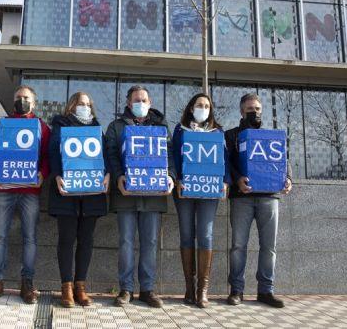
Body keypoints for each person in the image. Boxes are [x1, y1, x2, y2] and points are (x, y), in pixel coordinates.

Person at [105, 85, 175, 308]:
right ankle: (126, 289)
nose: (140, 104)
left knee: (150, 242)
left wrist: (171, 176)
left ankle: (147, 289)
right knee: (125, 242)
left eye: (144, 100)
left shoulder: (162, 126)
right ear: (128, 103)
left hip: (153, 195)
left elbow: (171, 155)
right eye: (136, 100)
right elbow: (111, 155)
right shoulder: (116, 127)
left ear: (150, 102)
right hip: (126, 193)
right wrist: (118, 177)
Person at [0, 85, 51, 304]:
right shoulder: (3, 124)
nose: (22, 100)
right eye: (18, 97)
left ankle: (27, 284)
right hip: (3, 189)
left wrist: (42, 174)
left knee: (30, 238)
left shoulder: (41, 126)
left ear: (34, 102)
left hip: (30, 191)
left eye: (26, 98)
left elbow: (47, 155)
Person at [225, 93, 292, 308]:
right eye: (249, 109)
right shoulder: (231, 135)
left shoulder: (270, 135)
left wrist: (288, 178)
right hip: (241, 197)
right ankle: (237, 290)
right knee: (238, 246)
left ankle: (266, 291)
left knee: (269, 247)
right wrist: (237, 180)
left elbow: (283, 159)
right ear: (241, 111)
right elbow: (226, 164)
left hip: (268, 197)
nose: (254, 112)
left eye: (257, 109)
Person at [48, 92, 110, 308]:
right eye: (80, 103)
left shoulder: (97, 127)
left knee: (86, 241)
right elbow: (53, 152)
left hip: (91, 195)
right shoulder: (60, 125)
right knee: (66, 240)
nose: (84, 107)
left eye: (87, 104)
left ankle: (80, 287)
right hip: (66, 192)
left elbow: (106, 155)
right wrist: (57, 175)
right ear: (72, 106)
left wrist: (108, 173)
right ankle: (66, 287)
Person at [171, 93, 230, 308]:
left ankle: (202, 290)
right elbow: (174, 156)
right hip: (185, 189)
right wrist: (176, 179)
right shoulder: (179, 130)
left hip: (209, 191)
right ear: (190, 108)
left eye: (206, 106)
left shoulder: (217, 132)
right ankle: (189, 287)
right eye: (199, 105)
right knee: (187, 235)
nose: (203, 108)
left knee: (205, 235)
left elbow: (224, 158)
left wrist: (225, 181)